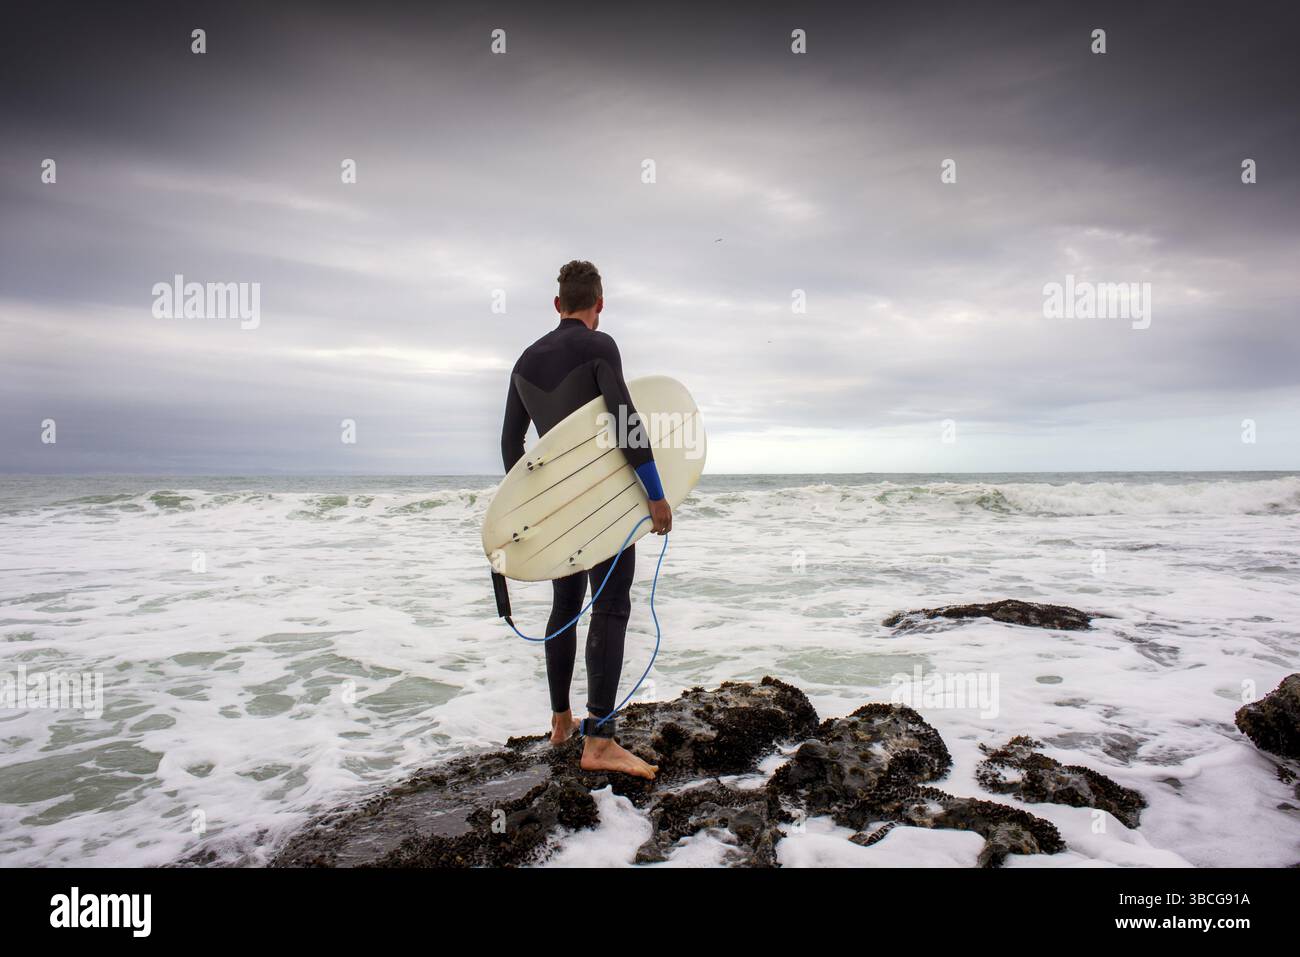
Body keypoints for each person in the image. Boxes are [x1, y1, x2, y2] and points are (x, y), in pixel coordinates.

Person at [500, 260, 670, 780]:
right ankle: (600, 741)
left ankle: (560, 722)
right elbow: (624, 418)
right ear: (599, 304)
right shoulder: (601, 345)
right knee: (612, 606)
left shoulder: (525, 361)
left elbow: (512, 445)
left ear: (557, 305)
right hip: (605, 503)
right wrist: (656, 495)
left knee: (565, 607)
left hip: (558, 507)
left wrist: (539, 506)